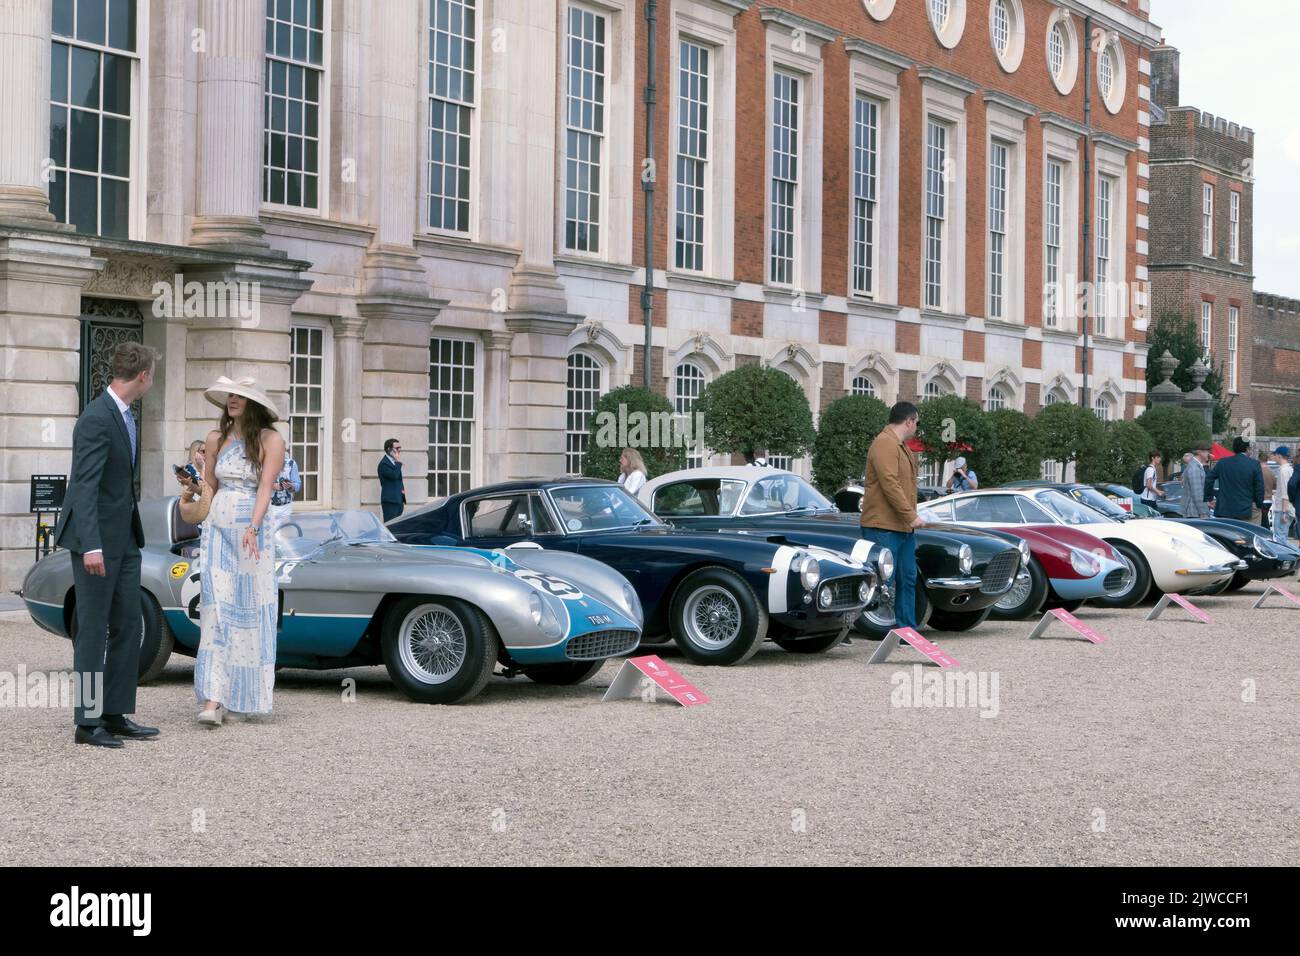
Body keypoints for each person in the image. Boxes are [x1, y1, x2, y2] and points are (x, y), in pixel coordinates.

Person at [53, 343, 161, 748]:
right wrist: (93, 546)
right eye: (153, 374)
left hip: (126, 538)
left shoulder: (125, 414)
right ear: (144, 376)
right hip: (95, 540)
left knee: (129, 625)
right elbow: (84, 486)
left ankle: (115, 713)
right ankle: (87, 723)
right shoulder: (96, 418)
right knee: (94, 630)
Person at [195, 376, 286, 727]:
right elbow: (210, 487)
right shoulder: (216, 438)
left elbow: (266, 489)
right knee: (217, 607)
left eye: (241, 396)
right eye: (230, 394)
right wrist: (194, 483)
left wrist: (254, 526)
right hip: (216, 528)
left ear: (254, 403)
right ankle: (213, 698)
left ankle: (245, 695)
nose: (233, 400)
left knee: (248, 609)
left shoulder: (270, 439)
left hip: (252, 533)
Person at [861, 401, 924, 631]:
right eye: (916, 422)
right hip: (883, 526)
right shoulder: (884, 443)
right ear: (908, 421)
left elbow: (903, 486)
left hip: (903, 527)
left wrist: (910, 517)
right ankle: (843, 626)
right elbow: (890, 484)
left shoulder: (900, 446)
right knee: (878, 582)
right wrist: (911, 515)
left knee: (908, 578)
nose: (916, 426)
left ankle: (907, 631)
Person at [1205, 436, 1264, 521]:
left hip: (1224, 509)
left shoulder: (1223, 462)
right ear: (1247, 449)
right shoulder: (1254, 464)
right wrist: (1259, 504)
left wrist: (1209, 498)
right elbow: (1259, 486)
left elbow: (1209, 479)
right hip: (1246, 509)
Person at [267, 452, 301, 537]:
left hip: (286, 507)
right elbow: (259, 482)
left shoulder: (291, 463)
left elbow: (298, 484)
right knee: (270, 535)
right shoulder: (265, 462)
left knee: (285, 536)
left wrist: (291, 486)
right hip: (269, 506)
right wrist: (273, 485)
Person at [1180, 443, 1212, 518]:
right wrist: (1203, 512)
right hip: (1195, 512)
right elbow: (1197, 492)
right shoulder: (1194, 468)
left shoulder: (1195, 466)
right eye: (1207, 451)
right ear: (1200, 452)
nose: (1209, 454)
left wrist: (1206, 503)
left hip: (1194, 511)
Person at [378, 438, 405, 521]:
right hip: (390, 501)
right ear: (389, 449)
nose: (399, 450)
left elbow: (399, 481)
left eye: (400, 447)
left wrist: (402, 495)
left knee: (397, 528)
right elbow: (394, 476)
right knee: (390, 527)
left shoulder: (393, 463)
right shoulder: (383, 464)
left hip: (398, 500)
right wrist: (397, 462)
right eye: (397, 448)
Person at [1272, 447, 1295, 543]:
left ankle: (1295, 555)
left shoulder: (1283, 471)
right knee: (1282, 537)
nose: (1273, 457)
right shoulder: (1290, 469)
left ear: (1279, 455)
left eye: (1275, 455)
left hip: (1283, 509)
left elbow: (1285, 492)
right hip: (1287, 508)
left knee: (1280, 538)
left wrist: (1284, 512)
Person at [1259, 452, 1276, 529]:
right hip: (1269, 499)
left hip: (1261, 499)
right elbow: (1275, 486)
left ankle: (1266, 534)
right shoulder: (1271, 472)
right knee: (1265, 519)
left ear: (1259, 460)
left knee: (1263, 522)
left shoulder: (1258, 472)